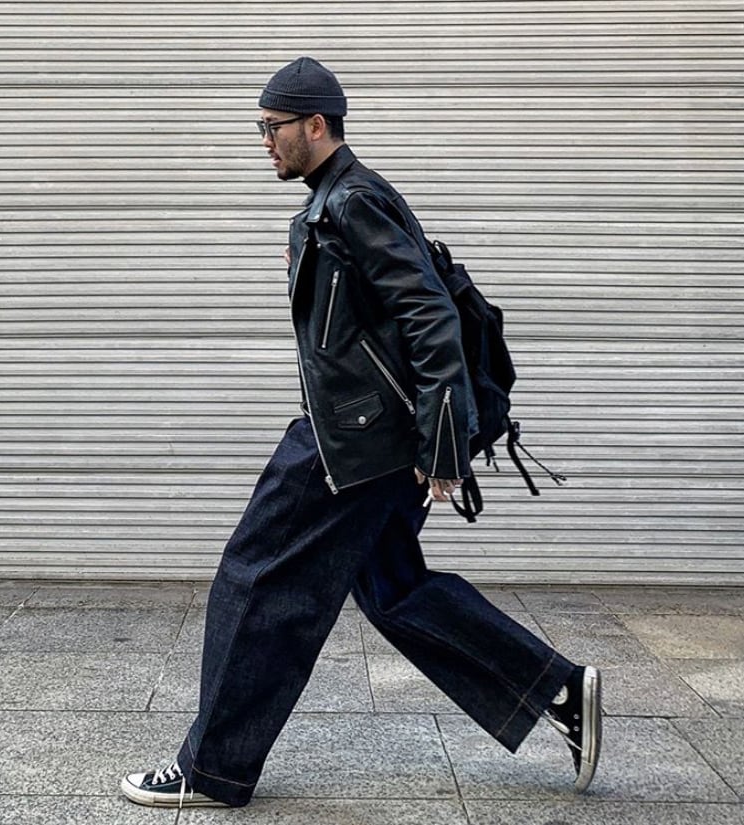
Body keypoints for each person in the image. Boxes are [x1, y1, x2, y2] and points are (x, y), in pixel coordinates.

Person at [121, 56, 602, 810]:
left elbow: (430, 316)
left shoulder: (353, 201)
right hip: (373, 434)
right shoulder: (337, 200)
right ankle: (556, 688)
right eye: (259, 127)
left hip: (355, 441)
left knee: (256, 577)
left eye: (272, 127)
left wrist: (442, 445)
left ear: (315, 124)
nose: (264, 141)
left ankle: (211, 769)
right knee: (391, 586)